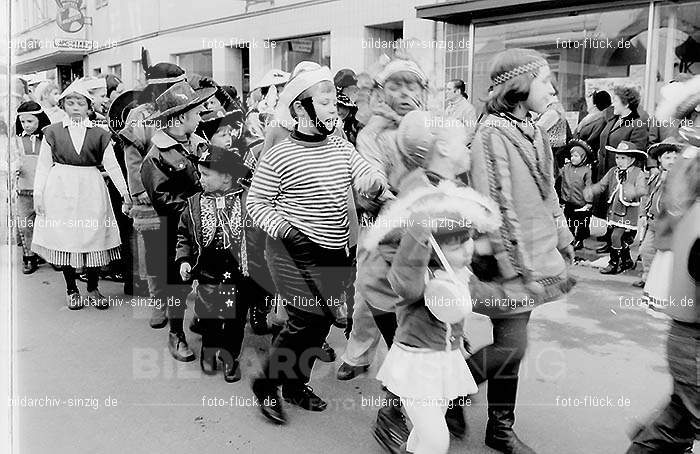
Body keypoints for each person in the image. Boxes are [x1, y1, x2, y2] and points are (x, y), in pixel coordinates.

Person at [248, 62, 385, 425]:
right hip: (291, 252)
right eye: (324, 104)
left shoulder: (341, 147)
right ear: (299, 108)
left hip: (335, 250)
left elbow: (365, 174)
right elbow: (255, 204)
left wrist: (376, 185)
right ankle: (266, 384)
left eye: (334, 105)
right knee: (304, 318)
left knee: (320, 323)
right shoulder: (279, 154)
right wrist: (288, 231)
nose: (333, 111)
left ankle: (295, 385)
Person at [466, 48, 576, 454]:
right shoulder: (491, 133)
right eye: (545, 81)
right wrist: (515, 269)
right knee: (513, 345)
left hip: (536, 259)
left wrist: (564, 241)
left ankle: (496, 424)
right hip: (510, 263)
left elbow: (550, 194)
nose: (552, 89)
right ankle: (452, 392)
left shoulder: (533, 129)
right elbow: (496, 205)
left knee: (512, 345)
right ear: (520, 84)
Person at [362, 180, 501, 454]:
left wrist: (529, 293)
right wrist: (419, 232)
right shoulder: (419, 278)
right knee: (437, 441)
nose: (468, 249)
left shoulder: (460, 275)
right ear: (434, 250)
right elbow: (405, 281)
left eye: (468, 240)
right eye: (457, 244)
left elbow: (488, 298)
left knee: (423, 435)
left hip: (445, 363)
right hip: (417, 368)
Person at [626, 78, 699, 451]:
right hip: (693, 329)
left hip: (690, 328)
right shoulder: (691, 164)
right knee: (678, 423)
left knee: (676, 424)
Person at [31, 79, 132, 310]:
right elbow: (43, 166)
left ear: (89, 107)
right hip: (60, 189)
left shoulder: (99, 134)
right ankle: (71, 288)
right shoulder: (52, 132)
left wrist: (125, 193)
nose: (75, 107)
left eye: (80, 103)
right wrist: (39, 195)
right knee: (67, 237)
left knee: (92, 235)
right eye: (70, 103)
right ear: (64, 106)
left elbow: (113, 166)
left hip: (91, 188)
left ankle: (93, 286)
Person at [140, 81, 216, 361]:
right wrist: (198, 210)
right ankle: (176, 333)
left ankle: (205, 322)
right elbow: (163, 201)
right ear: (182, 117)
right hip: (177, 233)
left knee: (211, 275)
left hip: (207, 227)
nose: (201, 116)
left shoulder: (198, 143)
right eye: (197, 112)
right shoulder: (156, 156)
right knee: (178, 285)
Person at [119, 54, 188, 328]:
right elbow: (132, 156)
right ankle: (160, 301)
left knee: (183, 247)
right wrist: (140, 190)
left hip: (182, 192)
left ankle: (184, 298)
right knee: (157, 251)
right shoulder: (140, 115)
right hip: (152, 195)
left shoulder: (184, 108)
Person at [175, 145, 251, 383]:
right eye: (200, 173)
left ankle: (229, 357)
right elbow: (183, 235)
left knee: (235, 318)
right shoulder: (194, 204)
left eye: (206, 175)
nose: (201, 179)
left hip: (239, 273)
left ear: (227, 177)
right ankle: (209, 350)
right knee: (208, 314)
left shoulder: (247, 199)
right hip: (208, 270)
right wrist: (184, 259)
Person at [584, 141, 648, 275]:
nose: (619, 161)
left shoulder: (638, 173)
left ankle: (613, 263)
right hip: (613, 211)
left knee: (616, 236)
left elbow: (643, 190)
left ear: (632, 159)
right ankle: (626, 261)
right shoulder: (613, 171)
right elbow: (602, 185)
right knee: (619, 238)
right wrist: (592, 190)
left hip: (629, 213)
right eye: (617, 157)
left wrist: (634, 192)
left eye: (623, 158)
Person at [593, 86, 648, 232]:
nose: (613, 104)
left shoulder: (637, 124)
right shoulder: (613, 120)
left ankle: (618, 240)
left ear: (626, 104)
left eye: (616, 100)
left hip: (622, 175)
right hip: (607, 169)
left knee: (619, 206)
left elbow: (637, 153)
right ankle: (610, 235)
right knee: (609, 203)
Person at [633, 139, 682, 288]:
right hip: (652, 222)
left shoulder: (680, 179)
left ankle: (665, 282)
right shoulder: (655, 177)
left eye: (675, 158)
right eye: (667, 158)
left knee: (667, 254)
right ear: (660, 159)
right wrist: (642, 215)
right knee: (646, 249)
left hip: (669, 224)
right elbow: (647, 196)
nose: (672, 161)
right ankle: (647, 277)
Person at [10, 101, 51, 274]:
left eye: (30, 121)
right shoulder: (16, 141)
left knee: (48, 224)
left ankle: (49, 255)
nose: (26, 125)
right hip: (24, 190)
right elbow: (10, 160)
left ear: (40, 120)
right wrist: (13, 168)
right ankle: (29, 257)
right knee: (26, 225)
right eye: (23, 122)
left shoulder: (48, 139)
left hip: (45, 190)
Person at [559, 139, 594, 251]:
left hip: (581, 203)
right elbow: (559, 177)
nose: (573, 158)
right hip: (569, 201)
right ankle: (570, 239)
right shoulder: (567, 167)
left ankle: (580, 240)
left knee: (582, 223)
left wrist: (589, 202)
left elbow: (589, 187)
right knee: (569, 221)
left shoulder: (586, 171)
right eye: (572, 156)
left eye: (576, 156)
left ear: (583, 157)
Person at [574, 90, 611, 154]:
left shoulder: (599, 121)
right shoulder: (594, 119)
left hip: (586, 153)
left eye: (588, 101)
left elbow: (589, 141)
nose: (586, 104)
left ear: (595, 104)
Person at [444, 78, 478, 145]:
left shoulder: (468, 109)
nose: (446, 92)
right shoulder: (448, 108)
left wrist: (457, 147)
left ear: (458, 91)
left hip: (458, 149)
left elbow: (470, 134)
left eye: (449, 89)